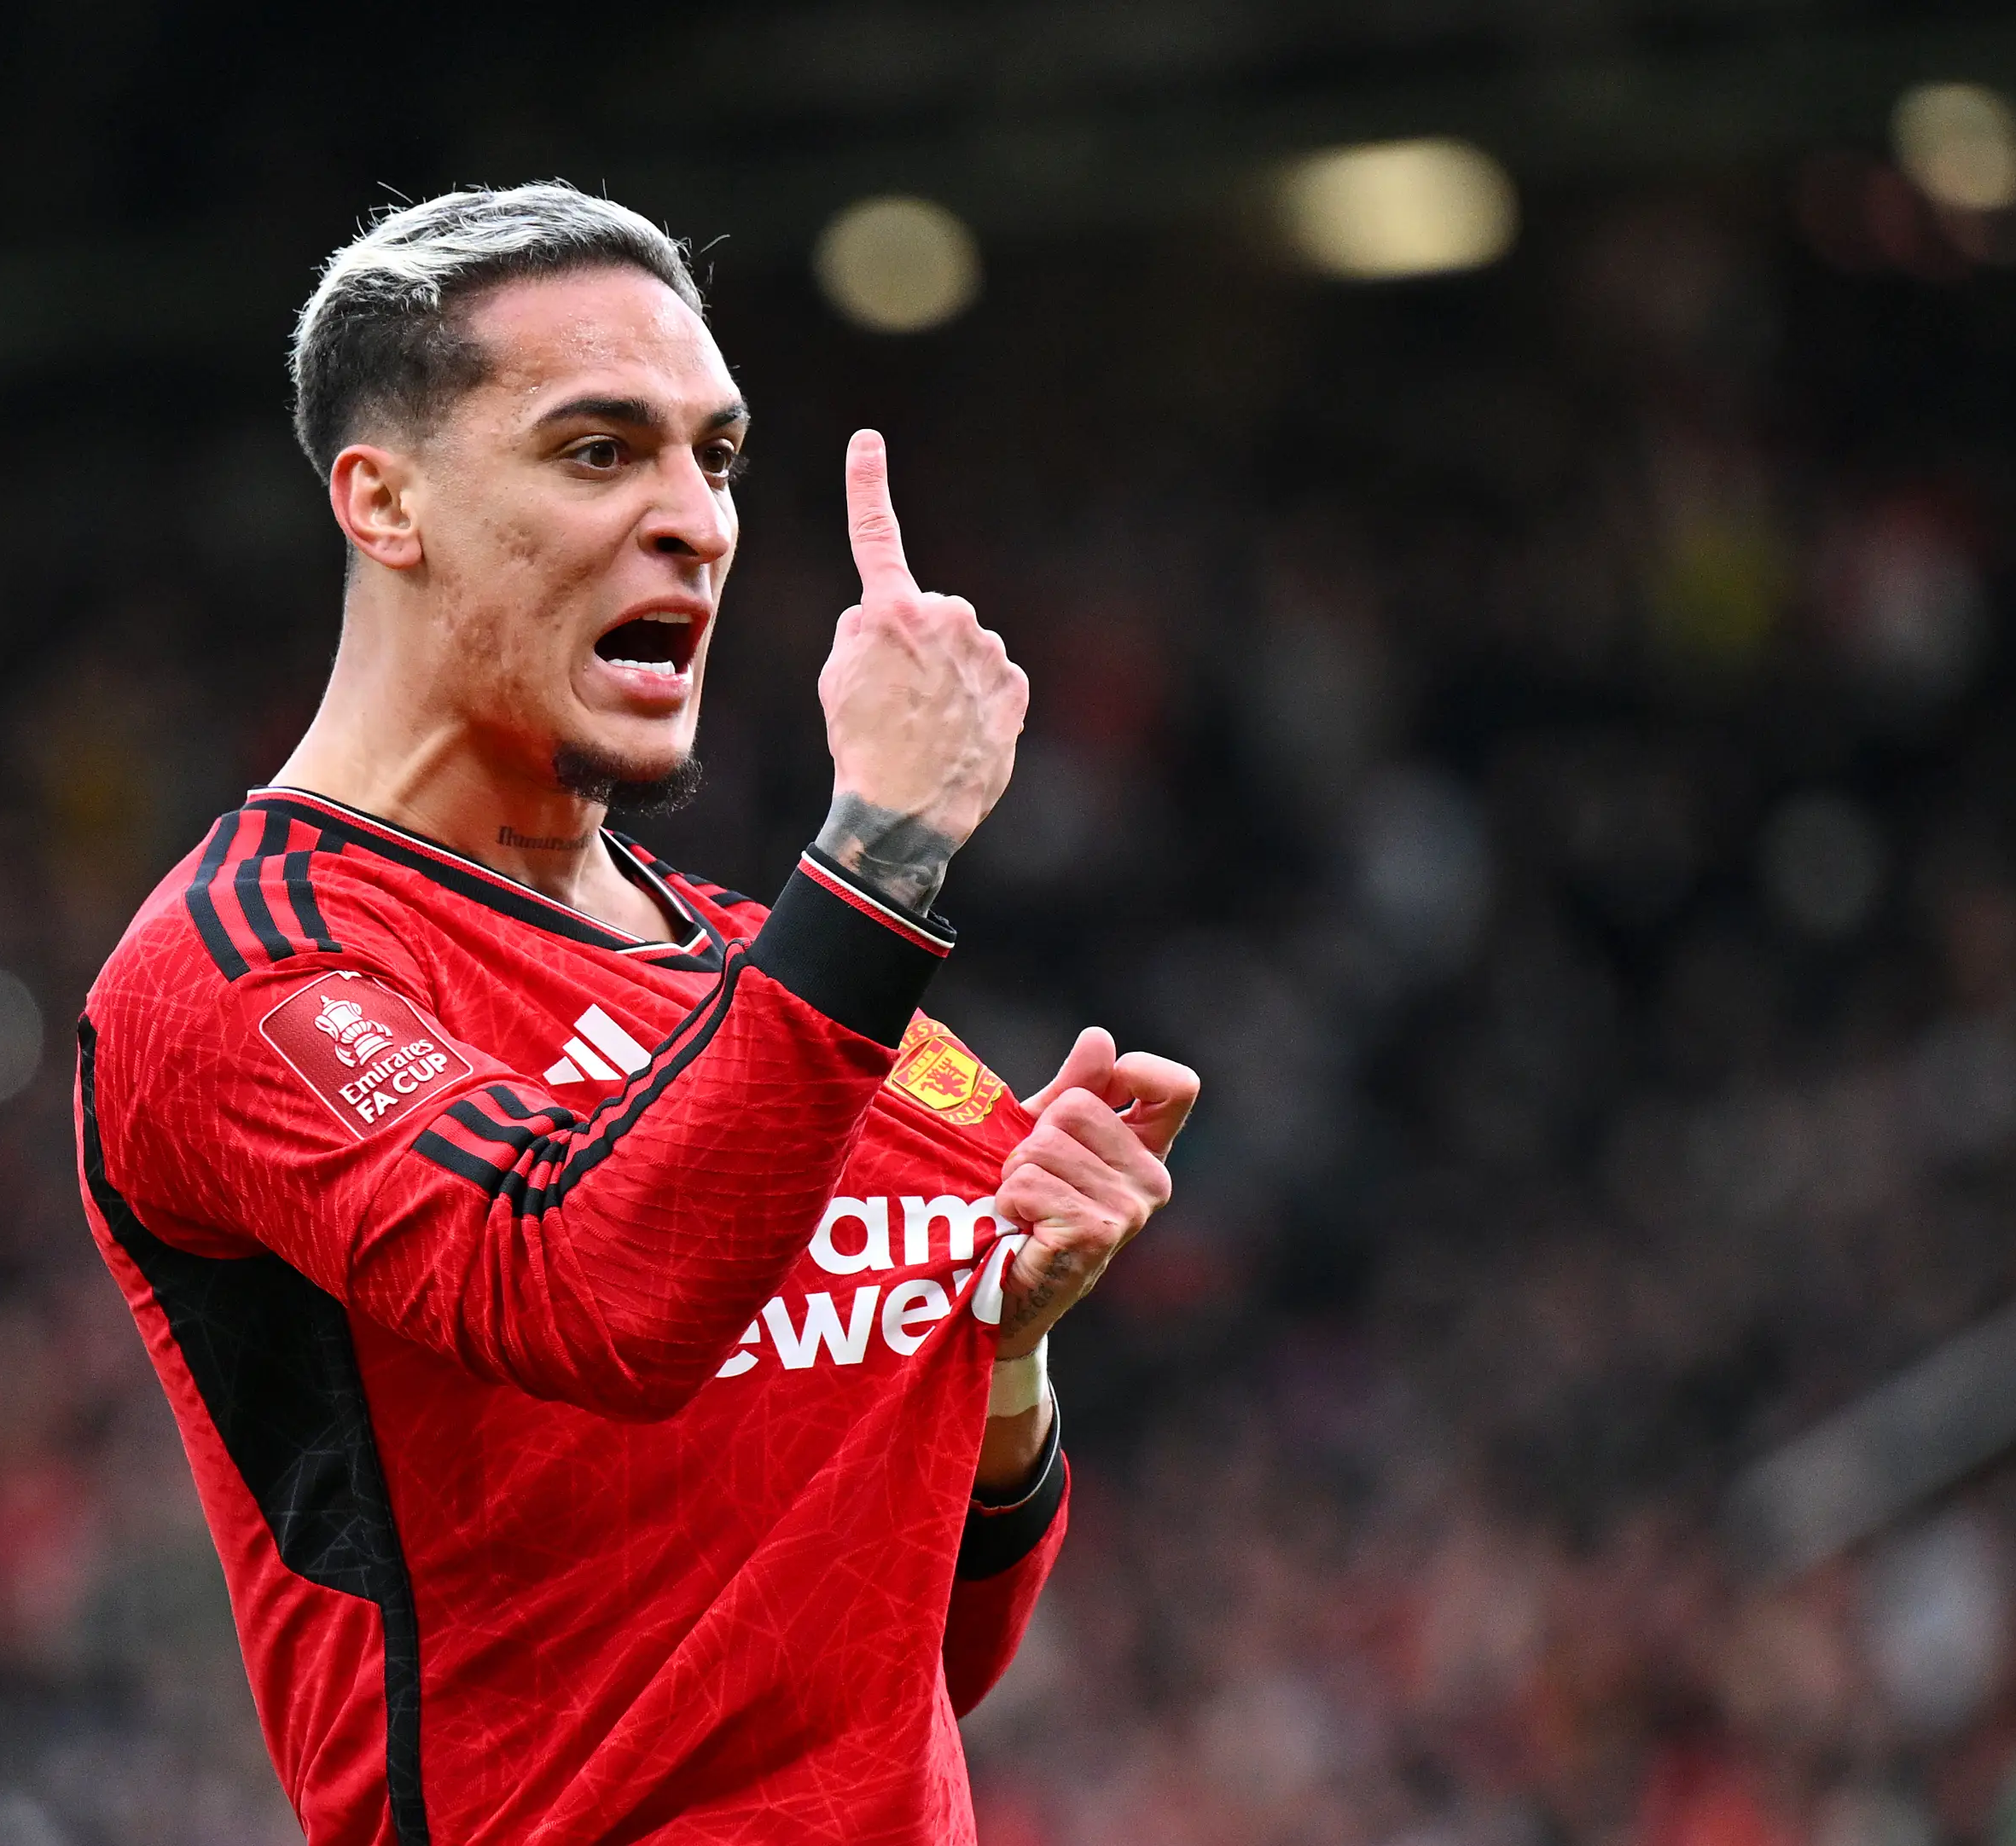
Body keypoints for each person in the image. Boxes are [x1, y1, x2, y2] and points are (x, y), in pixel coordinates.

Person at [75, 183, 1198, 1844]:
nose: (697, 519)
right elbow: (587, 1282)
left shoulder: (784, 990)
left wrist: (1009, 1361)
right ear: (385, 502)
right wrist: (881, 847)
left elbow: (930, 1657)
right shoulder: (246, 967)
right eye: (600, 451)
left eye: (717, 457)